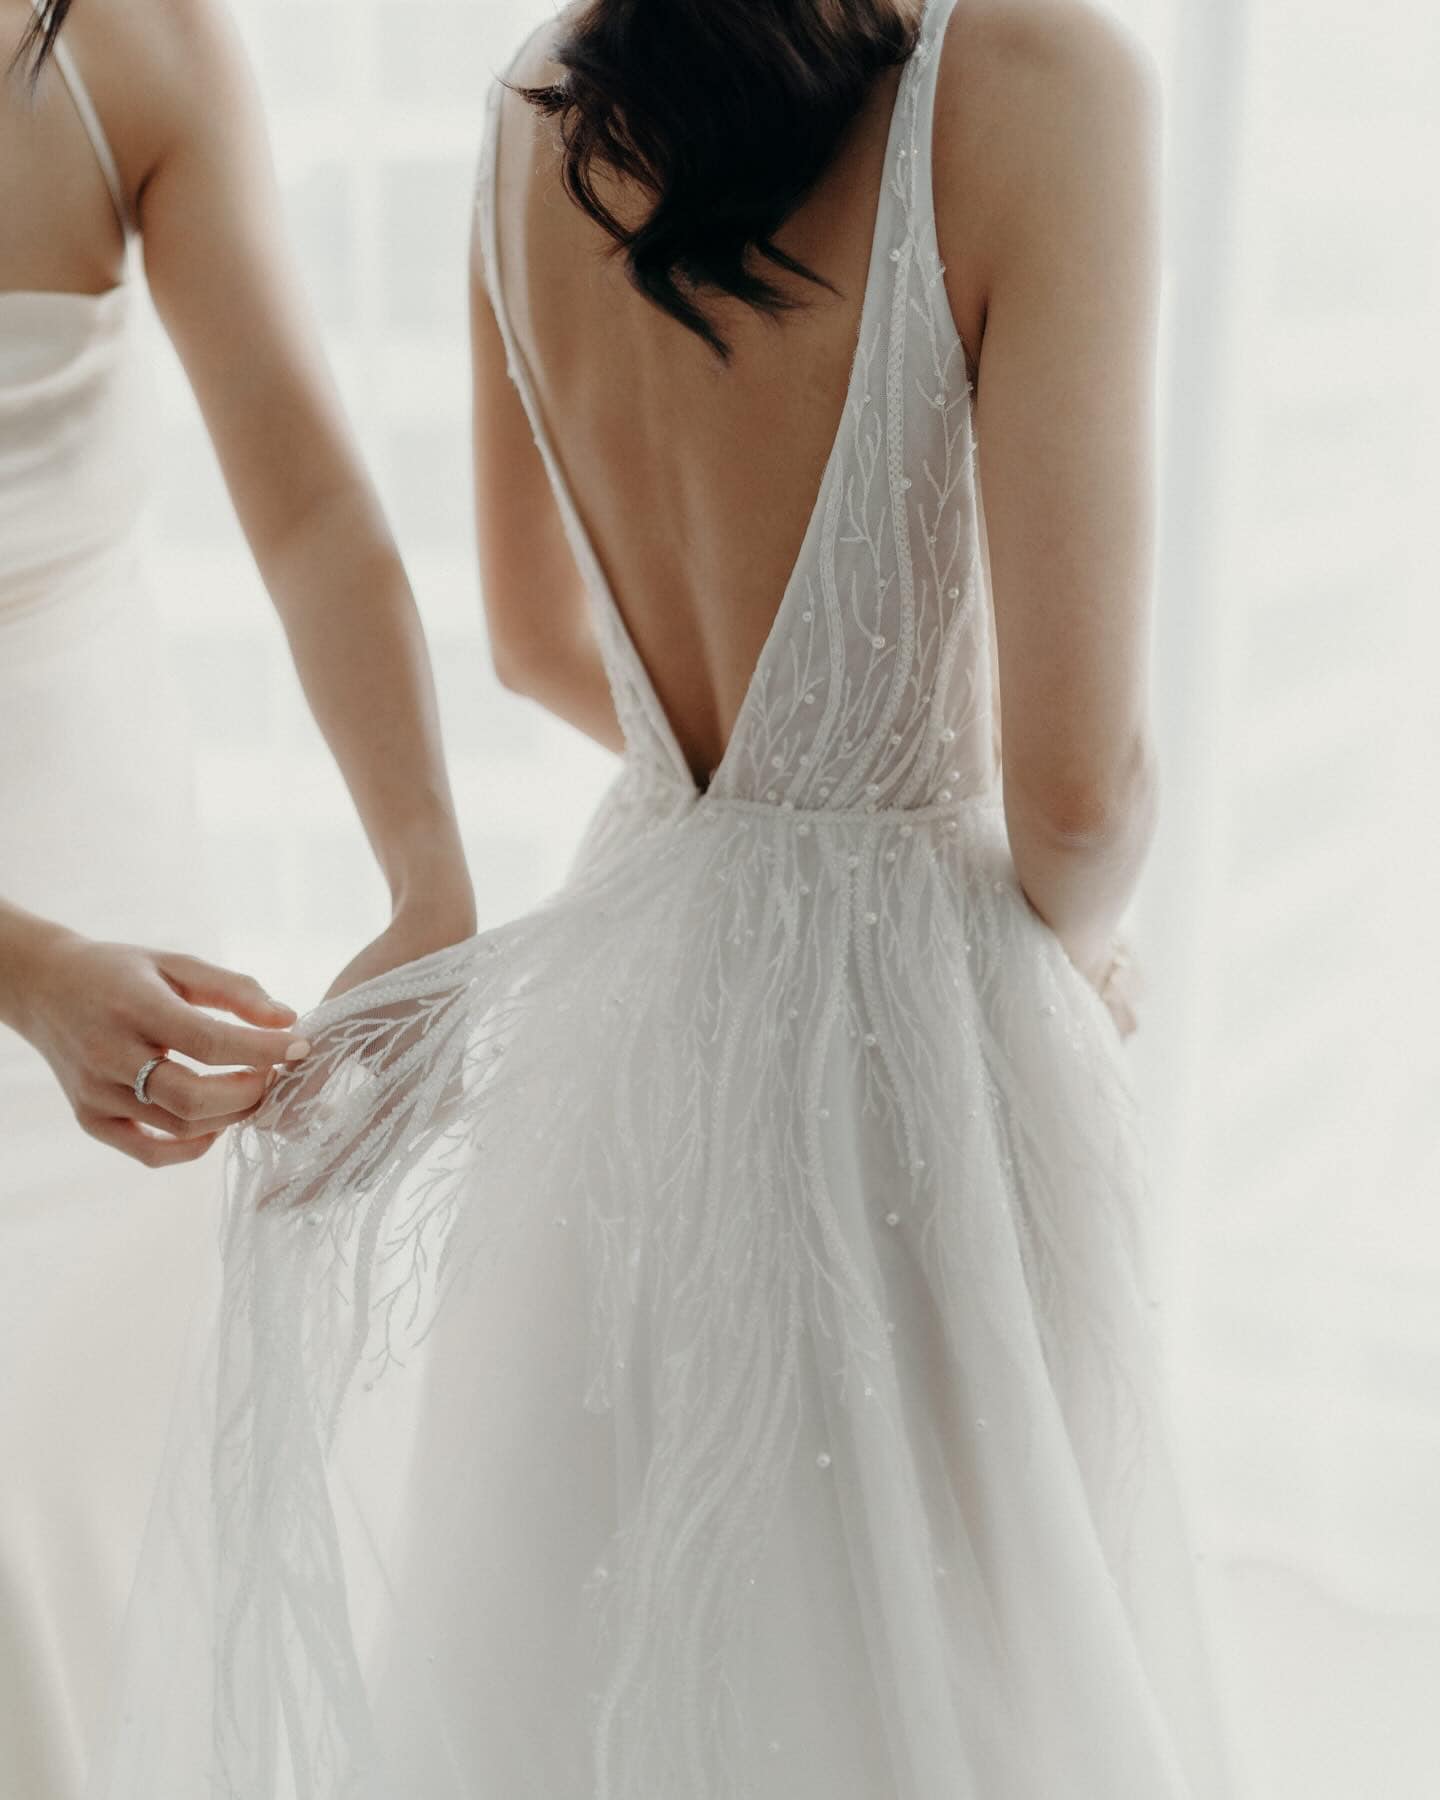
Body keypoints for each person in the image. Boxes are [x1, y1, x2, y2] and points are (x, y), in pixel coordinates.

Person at [87, 0, 1238, 1795]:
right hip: (918, 1021)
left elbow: (542, 639)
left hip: (639, 985)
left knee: (606, 1657)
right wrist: (1067, 952)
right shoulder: (1040, 80)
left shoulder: (535, 108)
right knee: (941, 1671)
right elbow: (1079, 792)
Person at [0, 0, 473, 1793]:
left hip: (103, 835)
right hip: (39, 951)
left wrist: (426, 868)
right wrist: (29, 972)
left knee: (109, 1465)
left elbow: (315, 516)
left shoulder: (140, 47)